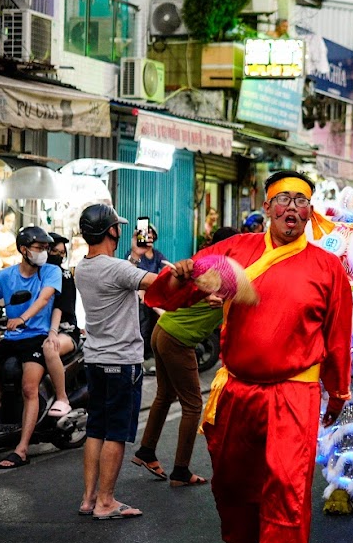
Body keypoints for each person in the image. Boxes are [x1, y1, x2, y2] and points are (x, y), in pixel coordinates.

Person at [147, 172, 351, 543]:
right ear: (268, 206)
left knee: (288, 488)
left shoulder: (327, 267)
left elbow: (337, 337)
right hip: (237, 388)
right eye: (284, 200)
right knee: (232, 480)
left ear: (311, 211)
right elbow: (181, 290)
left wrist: (338, 392)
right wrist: (176, 274)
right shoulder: (236, 250)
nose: (293, 209)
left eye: (302, 200)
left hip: (294, 392)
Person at [132, 226, 239, 488]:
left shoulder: (208, 268)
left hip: (163, 331)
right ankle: (180, 471)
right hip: (177, 339)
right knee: (192, 405)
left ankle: (146, 451)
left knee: (165, 395)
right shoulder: (223, 274)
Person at [73, 204, 159, 522]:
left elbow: (122, 273)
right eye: (117, 227)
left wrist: (135, 257)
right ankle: (106, 501)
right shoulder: (116, 270)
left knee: (96, 428)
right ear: (112, 231)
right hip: (122, 362)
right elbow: (156, 284)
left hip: (95, 360)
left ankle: (88, 498)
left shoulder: (83, 267)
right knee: (116, 433)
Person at [0, 226, 62, 469]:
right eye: (39, 248)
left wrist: (23, 318)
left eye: (46, 248)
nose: (44, 253)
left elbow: (44, 298)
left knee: (29, 388)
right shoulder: (6, 276)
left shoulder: (51, 271)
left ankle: (22, 448)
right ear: (24, 250)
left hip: (36, 336)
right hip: (10, 336)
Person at [42, 233, 79, 417]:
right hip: (40, 328)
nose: (57, 256)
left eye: (61, 253)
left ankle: (62, 398)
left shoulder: (64, 275)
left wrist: (53, 331)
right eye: (53, 251)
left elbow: (61, 307)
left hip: (65, 329)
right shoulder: (35, 272)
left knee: (51, 348)